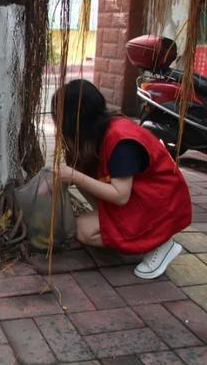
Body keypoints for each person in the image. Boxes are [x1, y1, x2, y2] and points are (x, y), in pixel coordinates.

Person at [52, 79, 190, 279]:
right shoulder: (102, 130)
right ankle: (119, 226)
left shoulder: (121, 140)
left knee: (84, 230)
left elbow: (121, 196)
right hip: (144, 197)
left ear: (78, 119)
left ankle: (160, 243)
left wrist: (75, 176)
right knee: (82, 175)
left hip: (160, 206)